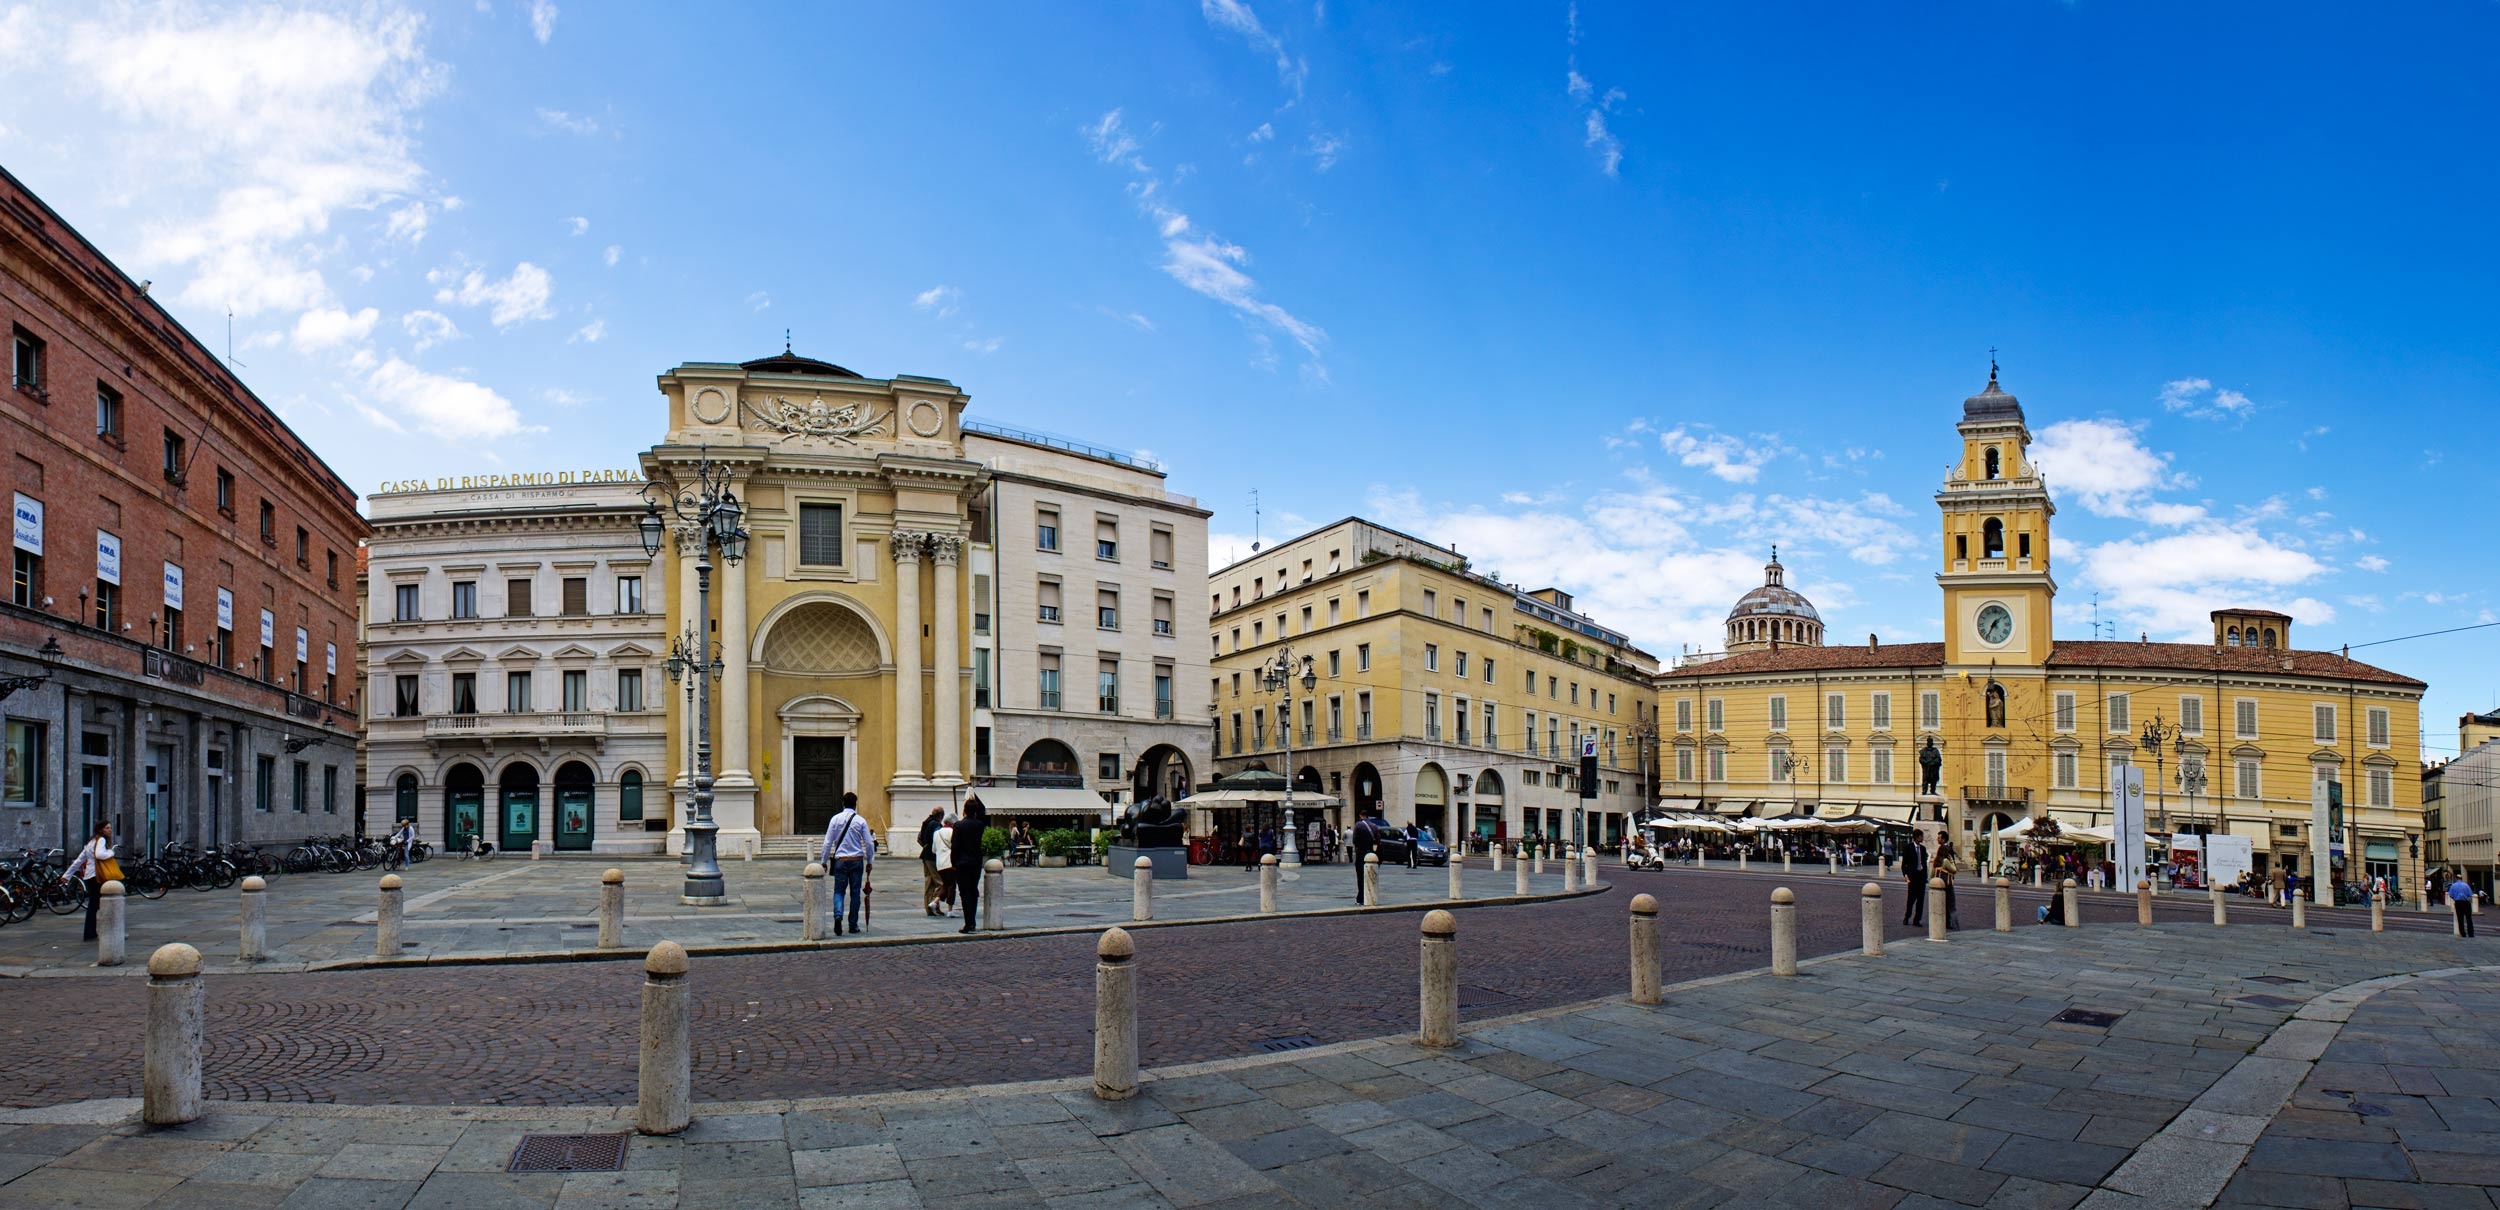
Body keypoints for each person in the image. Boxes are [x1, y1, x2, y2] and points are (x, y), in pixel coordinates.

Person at [817, 792, 874, 935]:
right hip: (856, 860)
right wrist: (870, 861)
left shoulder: (835, 819)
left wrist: (823, 861)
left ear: (843, 803)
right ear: (855, 803)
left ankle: (838, 916)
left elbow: (827, 842)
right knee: (855, 893)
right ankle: (853, 924)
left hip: (840, 861)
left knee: (839, 891)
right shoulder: (860, 820)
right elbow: (868, 843)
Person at [68, 821, 119, 942]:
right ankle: (108, 931)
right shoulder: (101, 840)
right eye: (107, 828)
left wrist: (67, 875)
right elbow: (100, 855)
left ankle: (90, 932)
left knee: (93, 905)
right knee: (104, 903)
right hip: (97, 876)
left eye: (110, 828)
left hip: (89, 876)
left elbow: (79, 860)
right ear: (101, 830)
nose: (110, 830)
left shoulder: (91, 842)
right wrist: (111, 852)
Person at [953, 797, 989, 933]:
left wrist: (954, 862)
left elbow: (955, 846)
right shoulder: (979, 825)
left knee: (965, 893)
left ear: (964, 810)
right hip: (975, 862)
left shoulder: (959, 825)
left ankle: (969, 923)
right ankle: (972, 922)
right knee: (973, 891)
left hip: (962, 863)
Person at [916, 806, 946, 917]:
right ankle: (934, 904)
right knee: (940, 883)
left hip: (925, 855)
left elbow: (919, 838)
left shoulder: (926, 822)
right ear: (940, 815)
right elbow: (938, 841)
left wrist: (925, 846)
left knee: (929, 882)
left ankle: (930, 909)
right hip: (933, 856)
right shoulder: (936, 825)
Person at [1899, 832, 1929, 927]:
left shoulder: (1923, 849)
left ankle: (1917, 920)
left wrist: (1925, 876)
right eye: (1921, 836)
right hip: (1913, 877)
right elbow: (1904, 864)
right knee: (1911, 900)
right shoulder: (1908, 848)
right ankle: (1907, 917)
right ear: (1916, 837)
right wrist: (1906, 875)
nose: (1922, 838)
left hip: (1921, 877)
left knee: (1921, 900)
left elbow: (1924, 863)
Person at [1351, 810, 1379, 903]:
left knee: (1360, 876)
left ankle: (1361, 898)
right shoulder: (1374, 826)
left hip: (1361, 853)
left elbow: (1354, 840)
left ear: (1360, 816)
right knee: (1371, 876)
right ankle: (1370, 896)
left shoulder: (1358, 825)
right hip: (1371, 853)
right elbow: (1378, 841)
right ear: (1368, 816)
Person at [932, 813, 956, 915]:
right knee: (952, 886)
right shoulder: (952, 832)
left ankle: (934, 902)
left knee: (945, 885)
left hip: (940, 864)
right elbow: (955, 847)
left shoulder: (936, 833)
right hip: (950, 863)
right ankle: (950, 910)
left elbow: (934, 850)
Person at [1937, 840, 1962, 930]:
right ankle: (1956, 925)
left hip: (1938, 886)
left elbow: (1931, 875)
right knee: (1952, 906)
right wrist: (1951, 860)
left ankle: (1942, 924)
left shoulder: (1936, 862)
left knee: (1941, 906)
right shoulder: (1946, 861)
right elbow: (1954, 870)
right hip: (1947, 885)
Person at [2450, 874, 2477, 938]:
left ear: (2456, 878)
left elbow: (2451, 895)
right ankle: (2471, 933)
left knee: (2460, 918)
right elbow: (2470, 894)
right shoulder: (2466, 885)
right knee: (2469, 918)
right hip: (2466, 902)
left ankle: (2463, 933)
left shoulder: (2453, 885)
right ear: (2461, 878)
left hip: (2458, 902)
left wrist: (2455, 898)